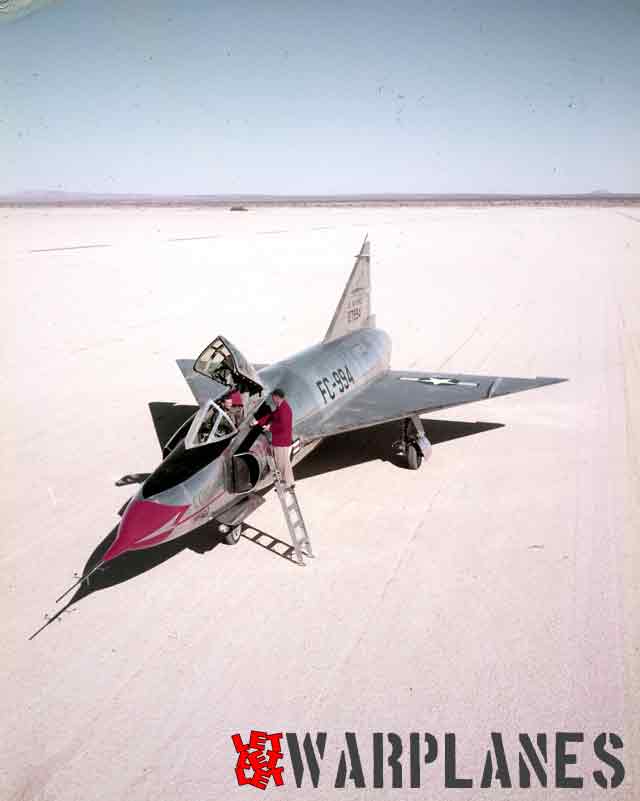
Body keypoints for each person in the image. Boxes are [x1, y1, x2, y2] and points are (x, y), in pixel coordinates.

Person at [254, 388, 295, 488]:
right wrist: (258, 422)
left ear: (277, 397)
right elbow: (271, 416)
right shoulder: (280, 407)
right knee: (282, 462)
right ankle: (288, 482)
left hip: (282, 441)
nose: (272, 399)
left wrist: (270, 427)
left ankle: (288, 483)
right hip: (279, 440)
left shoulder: (284, 409)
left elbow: (283, 426)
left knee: (283, 463)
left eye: (273, 397)